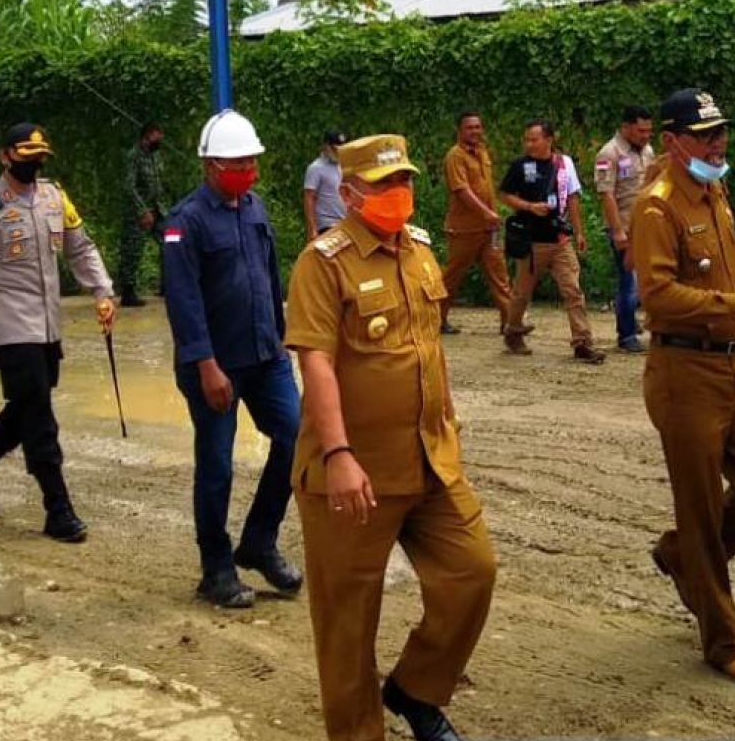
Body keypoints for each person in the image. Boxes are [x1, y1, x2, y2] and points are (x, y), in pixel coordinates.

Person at [286, 134, 496, 741]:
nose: (397, 194)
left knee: (472, 572)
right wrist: (339, 455)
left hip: (431, 462)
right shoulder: (322, 263)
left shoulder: (421, 251)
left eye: (402, 181)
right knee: (348, 624)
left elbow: (429, 352)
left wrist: (448, 428)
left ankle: (415, 689)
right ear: (349, 193)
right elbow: (317, 364)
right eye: (383, 185)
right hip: (354, 476)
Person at [633, 89, 735, 689]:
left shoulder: (715, 190)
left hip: (732, 365)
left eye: (720, 129)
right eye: (704, 134)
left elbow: (732, 271)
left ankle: (683, 559)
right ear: (674, 142)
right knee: (701, 512)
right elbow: (658, 295)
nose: (717, 141)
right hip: (683, 372)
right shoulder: (657, 206)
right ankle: (724, 640)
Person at [0, 123, 116, 543]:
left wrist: (102, 290)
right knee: (39, 416)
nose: (33, 162)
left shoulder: (53, 198)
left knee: (26, 407)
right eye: (25, 155)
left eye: (39, 156)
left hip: (47, 326)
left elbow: (81, 246)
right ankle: (57, 508)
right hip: (10, 327)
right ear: (5, 156)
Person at [162, 109, 303, 609]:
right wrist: (205, 365)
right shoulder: (185, 222)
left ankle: (259, 542)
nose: (250, 170)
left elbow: (268, 277)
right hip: (215, 366)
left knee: (298, 438)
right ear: (211, 166)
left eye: (252, 161)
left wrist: (283, 339)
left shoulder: (256, 208)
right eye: (239, 162)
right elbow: (182, 300)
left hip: (266, 357)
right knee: (217, 464)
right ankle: (216, 569)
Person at [499, 120, 606, 363]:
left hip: (559, 239)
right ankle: (513, 331)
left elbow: (573, 198)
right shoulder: (520, 165)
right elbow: (505, 195)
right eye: (526, 139)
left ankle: (582, 342)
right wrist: (529, 207)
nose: (529, 144)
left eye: (534, 139)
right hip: (531, 240)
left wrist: (578, 232)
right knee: (521, 293)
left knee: (573, 290)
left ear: (548, 140)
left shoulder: (564, 163)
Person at [438, 111, 522, 336]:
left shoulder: (482, 152)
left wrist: (491, 215)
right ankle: (436, 319)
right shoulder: (455, 156)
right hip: (464, 230)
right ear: (460, 131)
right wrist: (485, 212)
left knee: (500, 277)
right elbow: (461, 190)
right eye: (470, 127)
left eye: (478, 127)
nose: (475, 131)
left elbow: (486, 187)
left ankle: (511, 324)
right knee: (451, 278)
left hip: (489, 230)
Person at [595, 106, 656, 352]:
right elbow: (606, 194)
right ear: (626, 127)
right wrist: (617, 230)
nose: (646, 135)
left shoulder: (648, 151)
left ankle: (633, 320)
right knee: (628, 282)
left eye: (649, 131)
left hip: (647, 226)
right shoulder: (608, 154)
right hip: (624, 227)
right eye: (641, 130)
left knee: (649, 280)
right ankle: (626, 335)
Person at [120, 121, 167, 307]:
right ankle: (128, 292)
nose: (160, 138)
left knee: (171, 242)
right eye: (157, 134)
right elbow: (129, 186)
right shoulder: (134, 156)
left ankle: (167, 285)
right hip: (138, 212)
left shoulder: (156, 156)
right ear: (147, 136)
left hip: (159, 209)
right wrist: (142, 210)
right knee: (133, 250)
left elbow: (159, 183)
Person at [302, 130, 348, 241]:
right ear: (326, 146)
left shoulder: (344, 167)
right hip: (326, 224)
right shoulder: (316, 168)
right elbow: (309, 198)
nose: (337, 152)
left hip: (344, 223)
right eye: (334, 148)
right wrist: (312, 229)